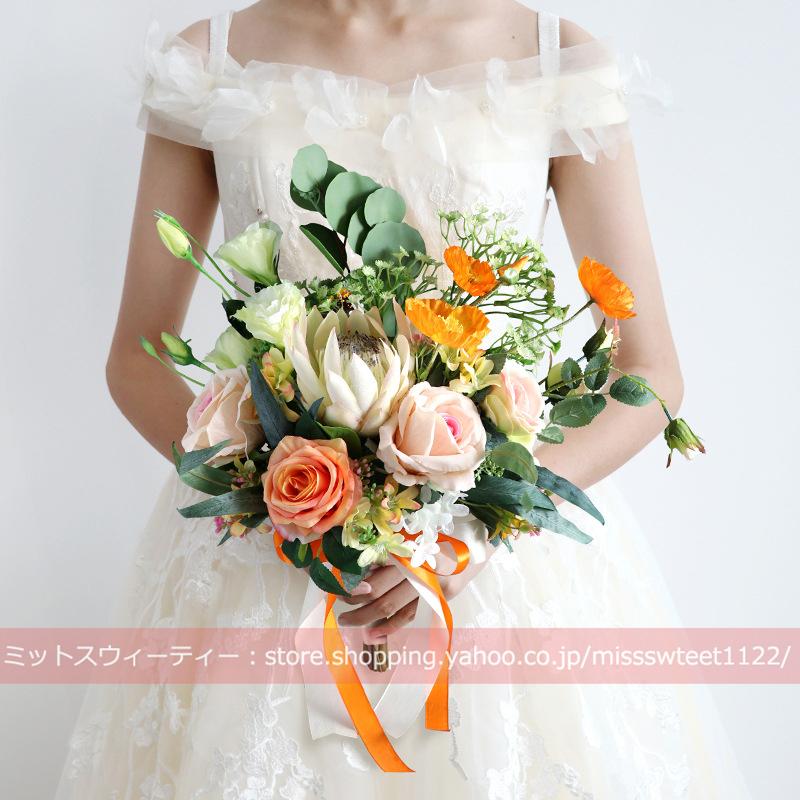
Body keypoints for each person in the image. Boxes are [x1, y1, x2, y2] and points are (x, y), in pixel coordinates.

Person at [56, 2, 751, 797]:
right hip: (270, 559)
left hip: (499, 567)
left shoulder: (556, 56)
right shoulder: (212, 57)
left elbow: (651, 370)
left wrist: (466, 529)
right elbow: (137, 356)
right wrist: (269, 492)